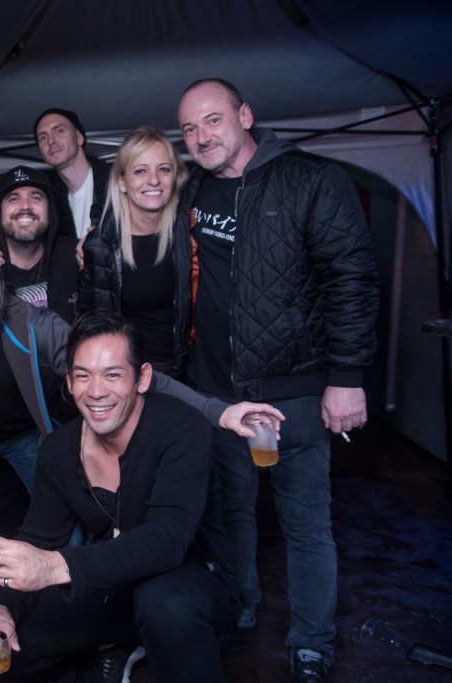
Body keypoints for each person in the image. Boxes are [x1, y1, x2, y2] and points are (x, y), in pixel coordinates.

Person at [0, 214, 276, 642]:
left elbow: (121, 370)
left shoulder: (31, 325)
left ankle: (81, 626)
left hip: (28, 436)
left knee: (70, 531)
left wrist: (219, 413)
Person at [176, 77, 380, 682]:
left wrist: (347, 377)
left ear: (245, 115)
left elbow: (352, 278)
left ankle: (312, 640)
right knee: (231, 513)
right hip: (218, 391)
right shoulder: (191, 190)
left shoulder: (310, 179)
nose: (201, 137)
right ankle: (241, 606)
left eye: (213, 120)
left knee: (306, 523)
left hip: (295, 391)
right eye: (189, 128)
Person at [0, 310, 279, 682]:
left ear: (142, 378)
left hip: (190, 586)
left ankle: (132, 647)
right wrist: (1, 609)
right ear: (69, 382)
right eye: (83, 376)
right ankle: (113, 650)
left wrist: (57, 567)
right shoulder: (59, 449)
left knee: (165, 603)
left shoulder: (182, 428)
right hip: (111, 585)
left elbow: (168, 540)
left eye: (113, 374)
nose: (96, 391)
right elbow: (38, 542)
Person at [77, 126, 191, 378]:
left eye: (164, 169)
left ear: (175, 177)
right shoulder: (101, 246)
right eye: (140, 171)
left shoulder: (192, 234)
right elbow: (89, 323)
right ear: (122, 182)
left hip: (192, 370)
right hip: (131, 374)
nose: (154, 180)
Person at [0, 165, 80, 322]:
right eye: (14, 199)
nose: (25, 206)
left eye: (35, 197)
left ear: (50, 209)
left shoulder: (77, 257)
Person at [33, 108, 110, 241]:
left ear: (79, 137)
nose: (51, 141)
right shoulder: (51, 205)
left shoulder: (116, 182)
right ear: (41, 154)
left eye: (59, 131)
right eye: (43, 137)